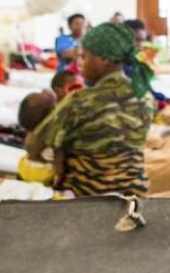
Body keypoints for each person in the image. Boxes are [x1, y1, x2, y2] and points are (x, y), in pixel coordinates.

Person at [29, 22, 156, 197]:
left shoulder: (80, 101)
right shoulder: (146, 98)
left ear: (103, 60)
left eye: (85, 57)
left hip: (88, 198)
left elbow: (33, 145)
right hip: (135, 197)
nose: (80, 64)